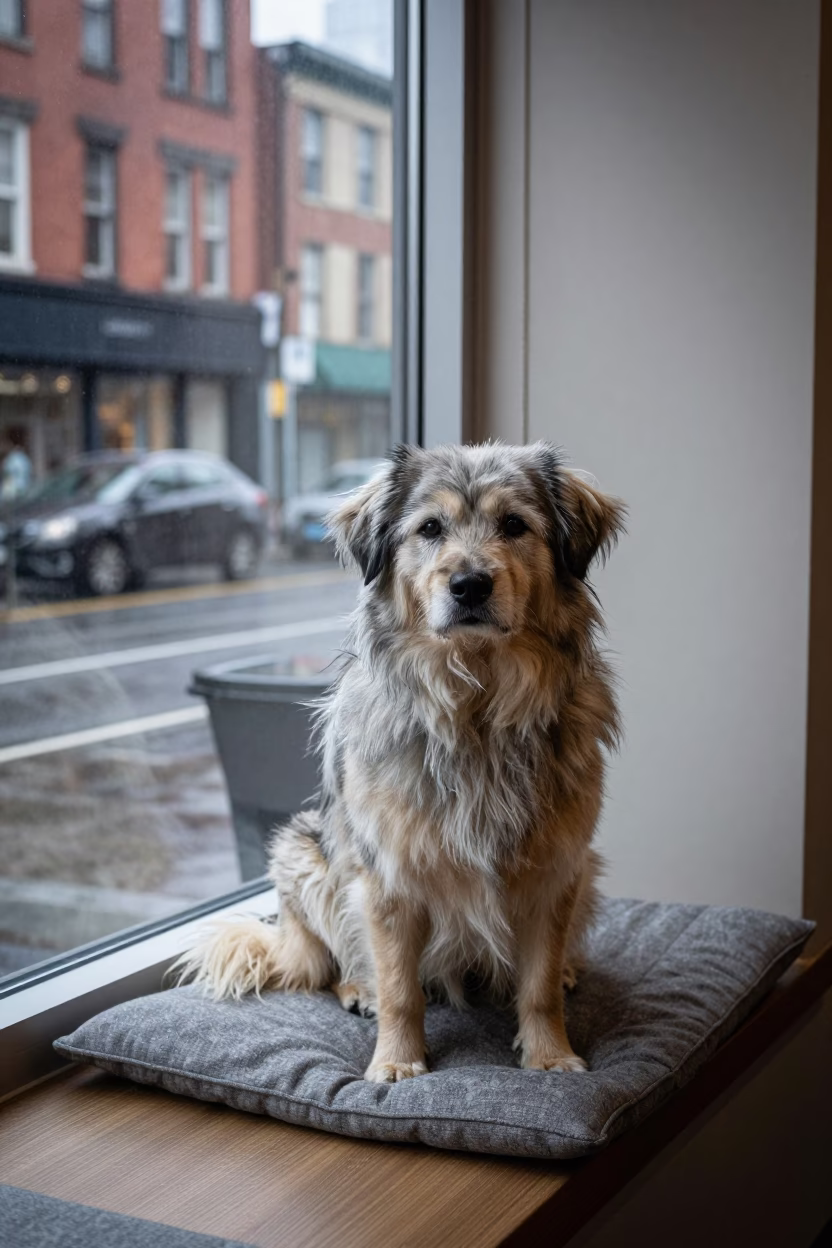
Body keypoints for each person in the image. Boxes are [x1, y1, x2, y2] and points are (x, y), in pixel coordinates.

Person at [1, 431, 33, 501]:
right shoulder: (19, 458)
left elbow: (16, 482)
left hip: (14, 497)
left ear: (10, 442)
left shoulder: (16, 459)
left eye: (3, 442)